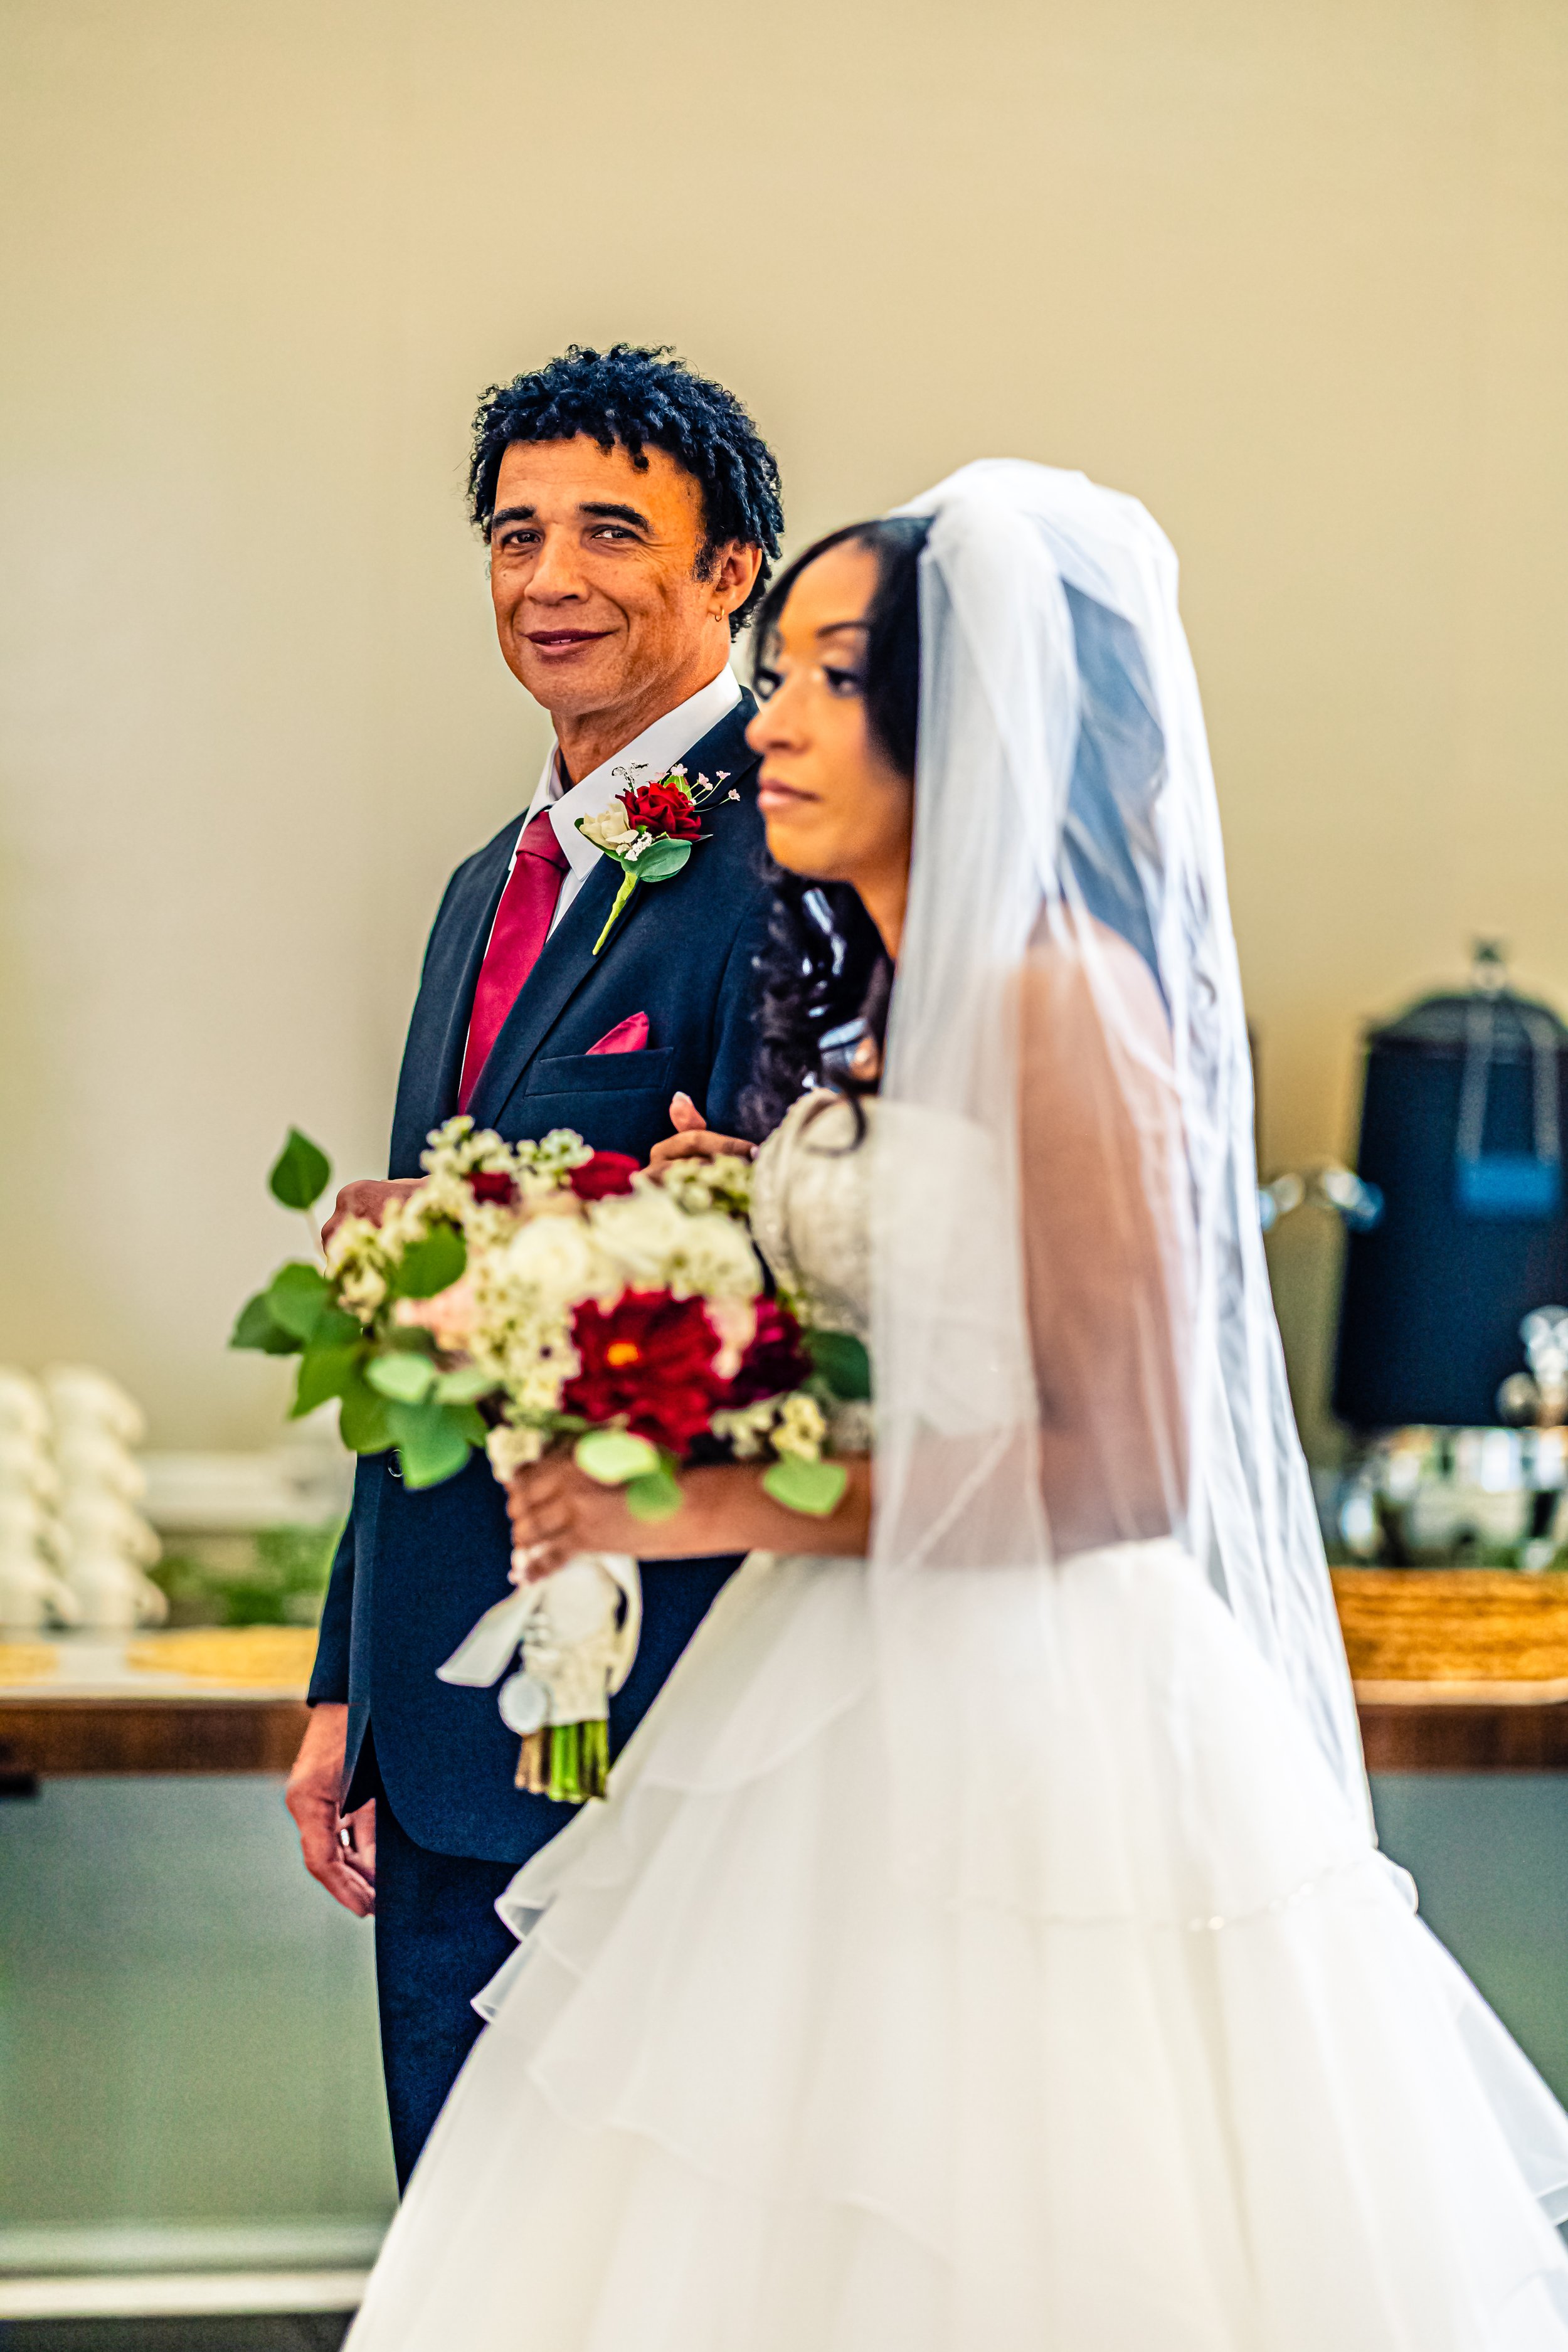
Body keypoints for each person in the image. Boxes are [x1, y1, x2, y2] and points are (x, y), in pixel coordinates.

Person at [346, 462, 1568, 2348]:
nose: (774, 719)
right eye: (784, 679)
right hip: (825, 1680)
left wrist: (721, 1502)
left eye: (830, 676)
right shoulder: (876, 1019)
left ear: (967, 718)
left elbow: (1123, 1462)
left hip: (1041, 1713)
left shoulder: (1061, 1003)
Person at [285, 344, 785, 2186]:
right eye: (513, 534)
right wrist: (348, 1672)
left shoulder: (791, 859)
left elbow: (800, 1299)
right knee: (466, 2251)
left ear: (731, 570)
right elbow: (415, 1316)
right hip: (433, 1715)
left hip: (658, 1711)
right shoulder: (477, 886)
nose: (547, 579)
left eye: (607, 531)